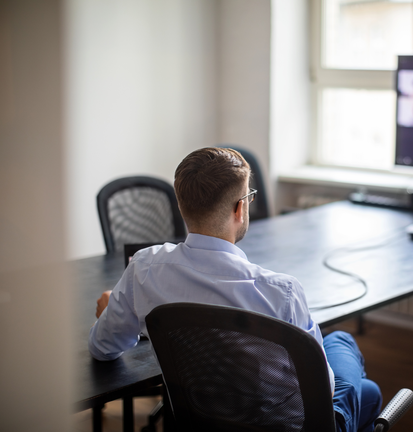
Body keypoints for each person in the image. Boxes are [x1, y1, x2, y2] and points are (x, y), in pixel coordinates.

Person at [89, 147, 383, 432]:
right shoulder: (281, 292)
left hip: (207, 421)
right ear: (240, 208)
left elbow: (102, 349)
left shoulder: (144, 268)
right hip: (292, 426)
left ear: (181, 206)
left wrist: (109, 314)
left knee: (365, 389)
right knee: (345, 347)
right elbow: (323, 389)